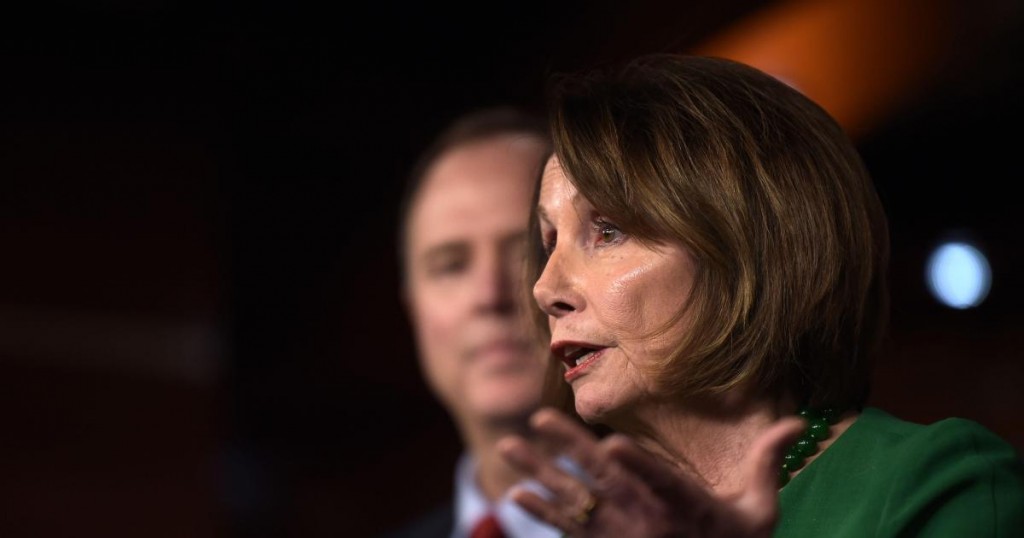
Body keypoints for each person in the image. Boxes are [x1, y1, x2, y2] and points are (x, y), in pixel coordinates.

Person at [495, 54, 1024, 537]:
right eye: (548, 244)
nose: (545, 290)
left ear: (746, 243)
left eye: (607, 230)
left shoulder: (936, 483)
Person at [385, 107, 562, 538]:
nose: (490, 296)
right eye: (450, 266)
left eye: (527, 252)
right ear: (414, 311)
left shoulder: (695, 523)